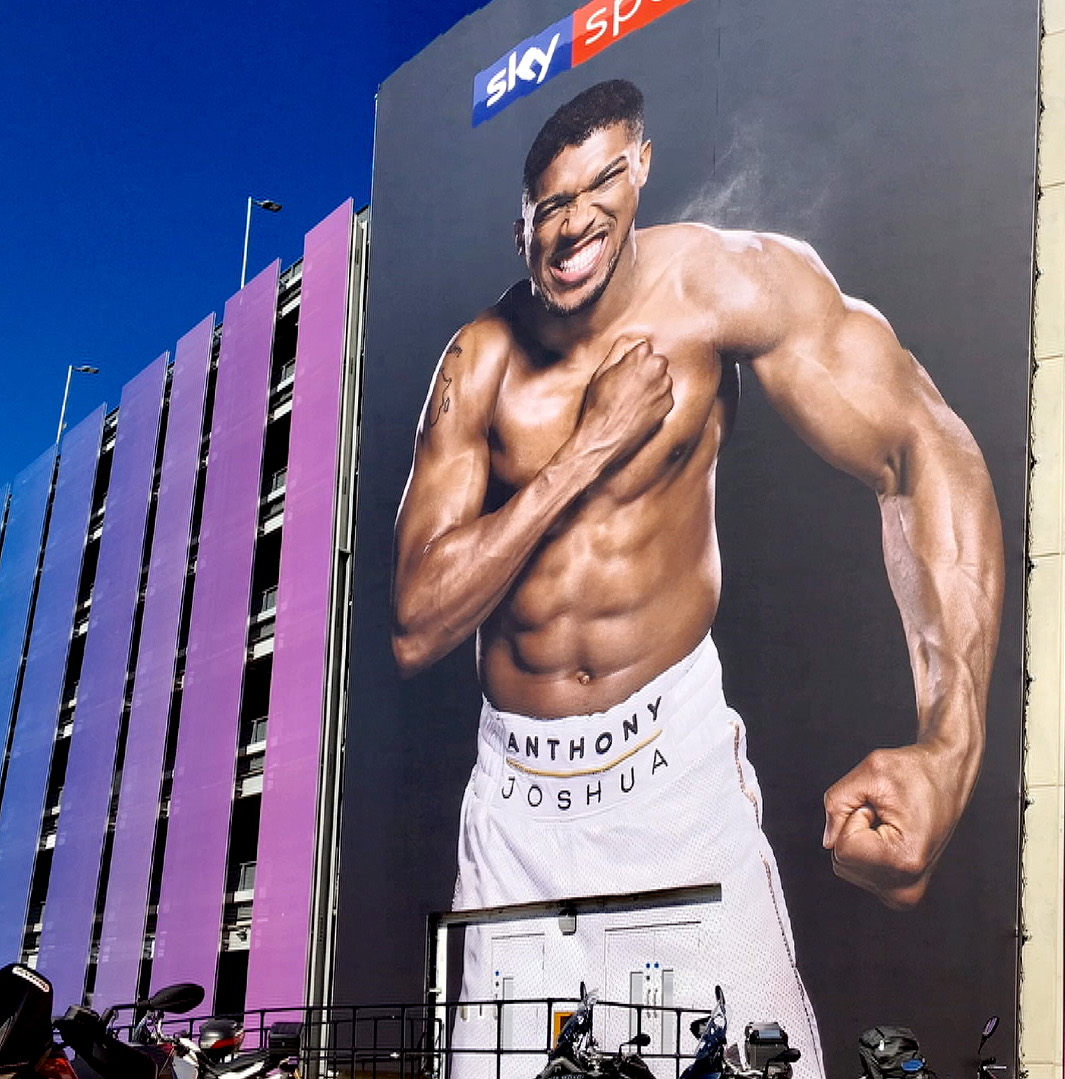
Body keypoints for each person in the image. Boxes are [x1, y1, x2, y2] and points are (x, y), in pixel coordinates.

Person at [391, 78, 1003, 1078]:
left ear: (640, 173)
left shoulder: (726, 284)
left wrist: (952, 738)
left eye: (601, 182)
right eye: (549, 204)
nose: (575, 218)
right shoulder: (480, 362)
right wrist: (587, 452)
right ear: (520, 230)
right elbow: (418, 618)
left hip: (674, 778)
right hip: (516, 811)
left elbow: (920, 446)